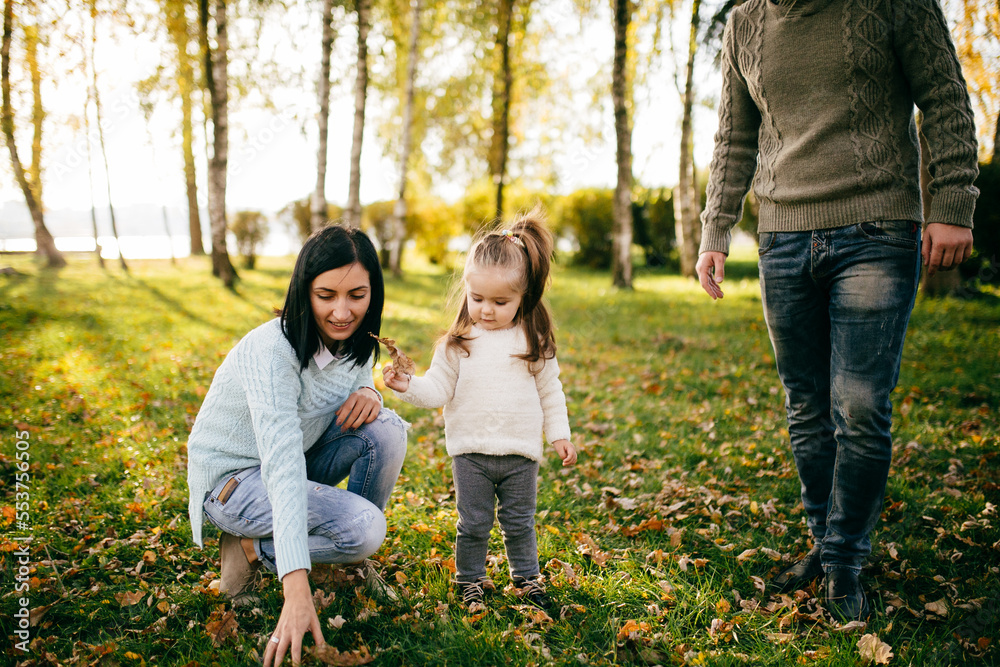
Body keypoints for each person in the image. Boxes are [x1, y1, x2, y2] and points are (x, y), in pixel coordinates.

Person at [695, 0, 979, 621]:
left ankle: (846, 559)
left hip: (877, 228)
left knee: (859, 405)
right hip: (783, 237)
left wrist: (952, 202)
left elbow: (946, 98)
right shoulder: (746, 21)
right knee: (806, 405)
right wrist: (716, 227)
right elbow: (734, 134)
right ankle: (826, 547)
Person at [186, 225, 408, 666]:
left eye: (356, 295)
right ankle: (251, 548)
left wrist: (372, 392)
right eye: (326, 295)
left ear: (373, 293)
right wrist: (296, 585)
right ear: (303, 290)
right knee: (365, 527)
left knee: (386, 428)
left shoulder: (355, 342)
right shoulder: (273, 351)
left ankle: (346, 561)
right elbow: (283, 465)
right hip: (235, 482)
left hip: (297, 462)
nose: (343, 312)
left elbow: (351, 380)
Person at [382, 210, 577, 612]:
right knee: (473, 524)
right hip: (470, 453)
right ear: (466, 291)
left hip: (520, 453)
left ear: (524, 297)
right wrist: (408, 386)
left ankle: (526, 579)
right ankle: (470, 580)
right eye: (477, 298)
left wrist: (559, 434)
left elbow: (549, 390)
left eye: (500, 301)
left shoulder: (532, 339)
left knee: (520, 523)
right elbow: (437, 389)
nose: (486, 309)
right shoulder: (457, 344)